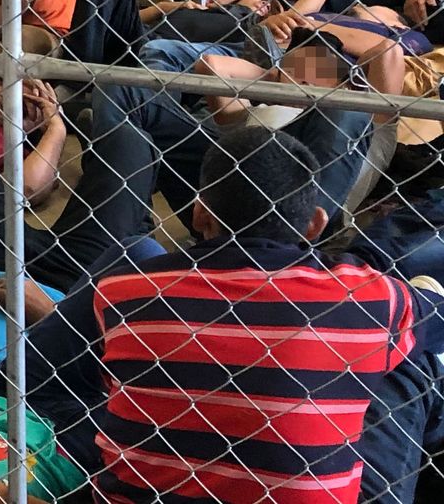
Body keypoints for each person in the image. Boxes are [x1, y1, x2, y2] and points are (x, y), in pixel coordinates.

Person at [31, 126, 437, 504]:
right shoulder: (369, 295)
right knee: (407, 358)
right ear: (315, 224)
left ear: (199, 214)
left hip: (144, 488)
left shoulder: (123, 289)